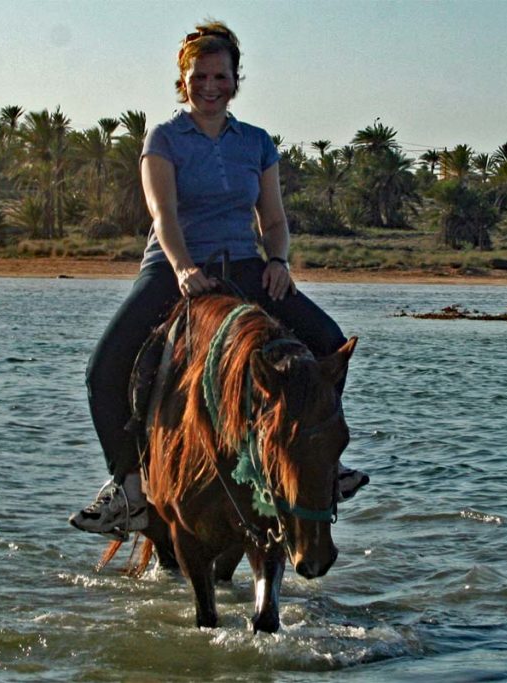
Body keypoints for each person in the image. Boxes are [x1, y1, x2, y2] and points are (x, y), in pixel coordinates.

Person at [70, 20, 367, 537]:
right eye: (199, 78)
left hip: (246, 268)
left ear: (235, 80)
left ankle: (322, 460)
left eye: (220, 77)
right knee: (104, 369)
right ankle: (128, 490)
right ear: (183, 82)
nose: (210, 87)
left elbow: (273, 221)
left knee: (329, 343)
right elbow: (164, 216)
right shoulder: (164, 138)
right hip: (173, 267)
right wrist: (184, 268)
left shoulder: (256, 143)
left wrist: (278, 262)